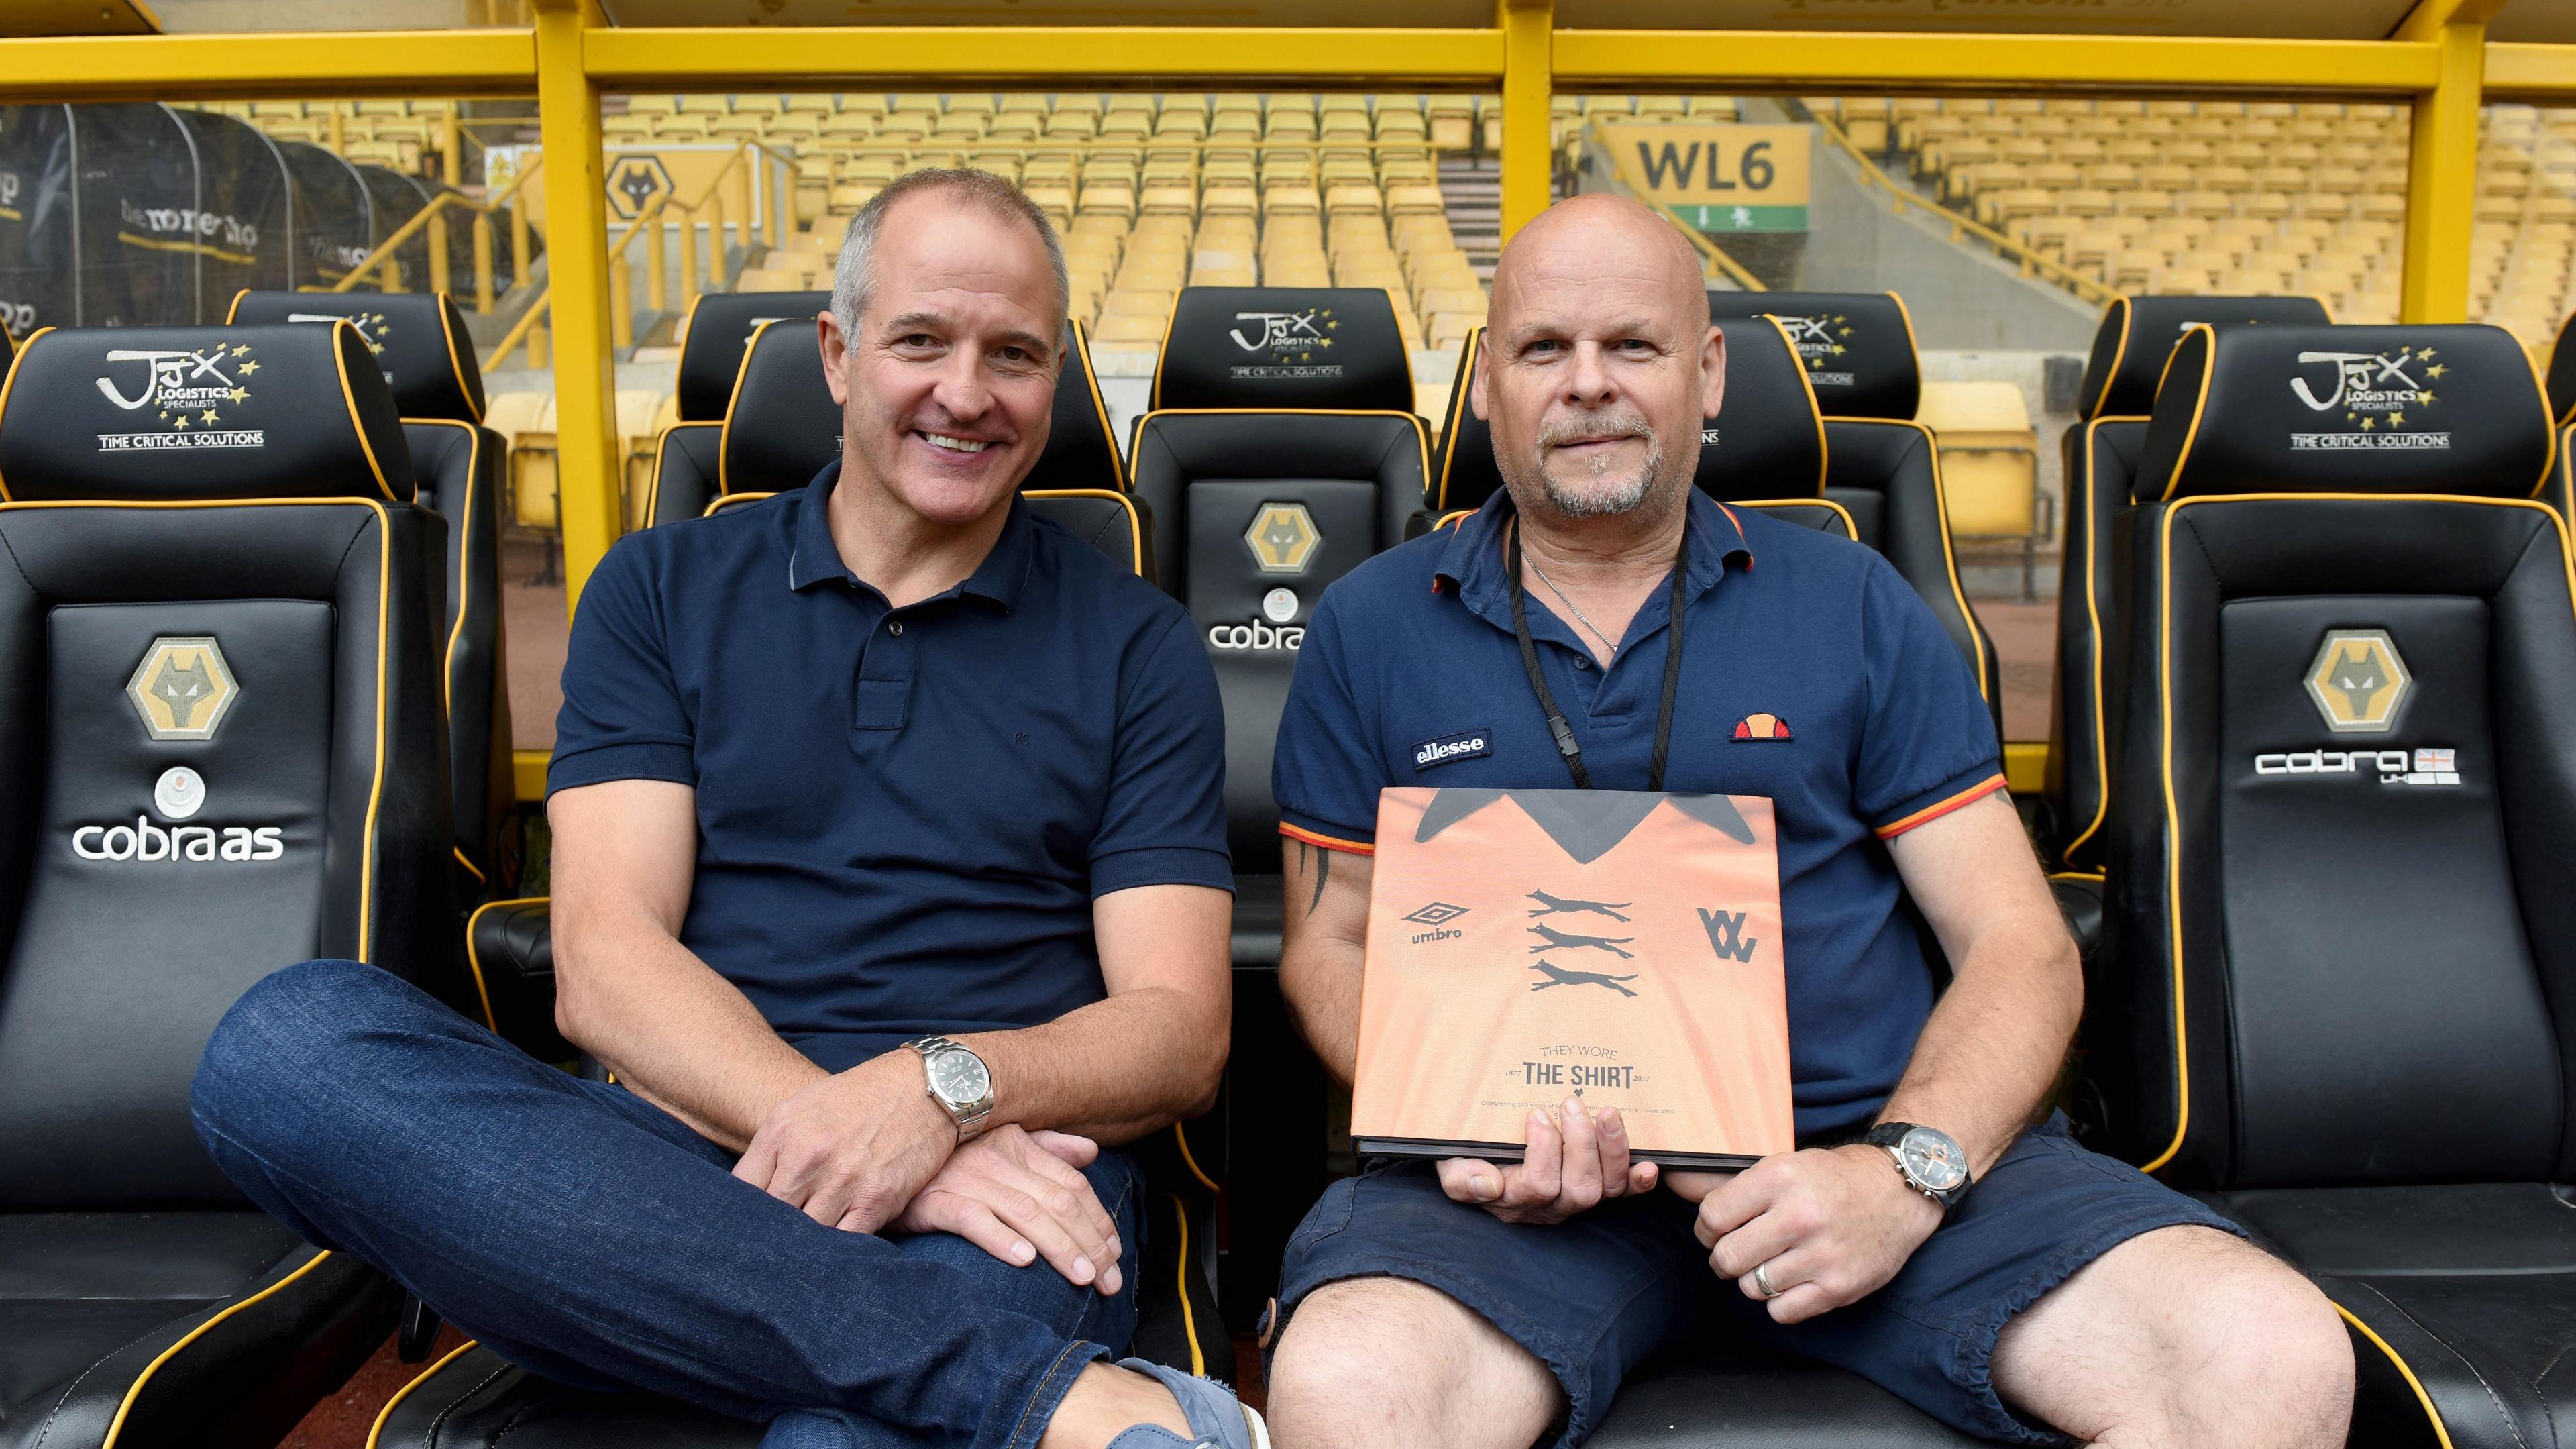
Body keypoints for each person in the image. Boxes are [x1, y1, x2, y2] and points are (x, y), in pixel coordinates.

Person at [190, 170, 1268, 1449]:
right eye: (921, 339)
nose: (966, 392)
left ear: (1055, 382)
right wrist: (861, 1135)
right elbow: (603, 964)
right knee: (287, 1042)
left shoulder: (1137, 643)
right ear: (838, 352)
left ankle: (899, 1361)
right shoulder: (659, 587)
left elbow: (1178, 1030)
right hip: (685, 1154)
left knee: (843, 1438)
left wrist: (937, 1101)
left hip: (1011, 1180)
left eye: (1015, 356)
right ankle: (1041, 1401)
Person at [1258, 193, 2353, 1448]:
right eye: (1543, 349)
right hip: (1526, 1195)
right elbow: (1329, 944)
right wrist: (1464, 1109)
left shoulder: (1854, 602)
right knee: (1350, 1389)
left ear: (1709, 373)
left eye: (1635, 346)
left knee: (2268, 1360)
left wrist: (1906, 1173)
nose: (1588, 386)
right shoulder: (1371, 623)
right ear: (1490, 380)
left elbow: (2021, 944)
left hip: (1866, 1155)